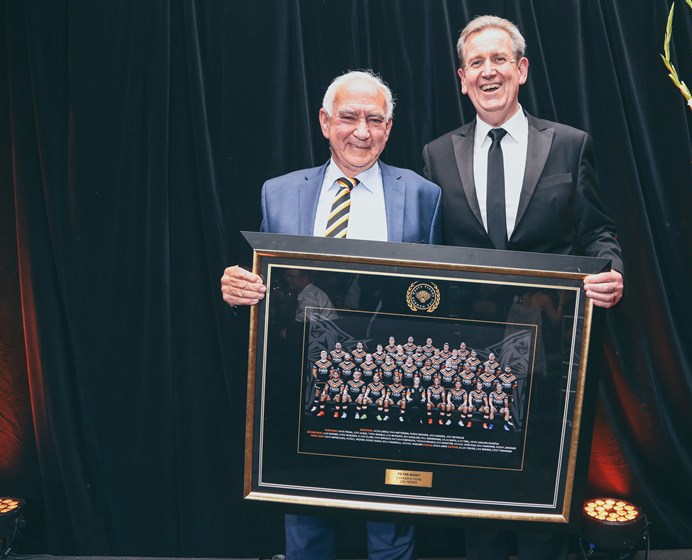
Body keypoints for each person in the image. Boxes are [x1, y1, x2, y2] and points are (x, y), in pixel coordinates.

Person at [422, 14, 624, 560]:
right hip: (467, 352)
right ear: (461, 78)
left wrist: (610, 270)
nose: (489, 72)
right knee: (478, 488)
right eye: (476, 63)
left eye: (499, 60)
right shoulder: (437, 154)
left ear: (522, 69)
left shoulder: (569, 145)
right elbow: (430, 246)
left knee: (542, 488)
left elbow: (599, 229)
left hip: (552, 344)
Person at [221, 69, 442, 560]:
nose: (362, 131)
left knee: (391, 520)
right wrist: (241, 290)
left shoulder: (424, 194)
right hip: (300, 378)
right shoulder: (278, 193)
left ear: (389, 128)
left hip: (391, 380)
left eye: (375, 119)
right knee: (305, 516)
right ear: (325, 122)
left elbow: (436, 296)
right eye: (349, 117)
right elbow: (270, 286)